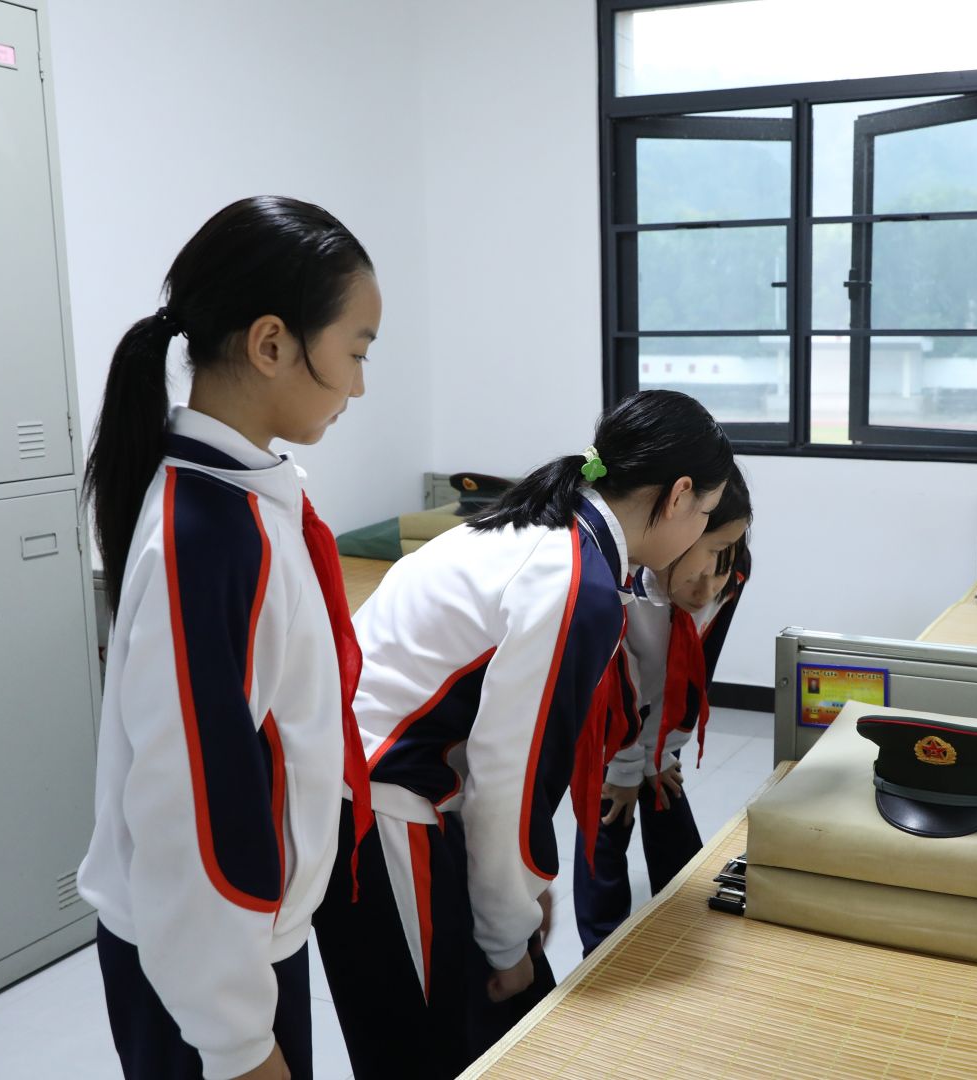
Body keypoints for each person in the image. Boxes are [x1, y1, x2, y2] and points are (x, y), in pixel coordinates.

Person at [314, 390, 735, 1080]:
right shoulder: (574, 582)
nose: (700, 536)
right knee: (431, 1049)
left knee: (458, 1026)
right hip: (377, 806)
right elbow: (509, 779)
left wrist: (516, 896)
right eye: (706, 516)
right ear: (679, 494)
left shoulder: (547, 526)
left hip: (376, 790)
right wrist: (508, 939)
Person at [77, 196, 381, 1080]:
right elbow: (192, 814)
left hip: (235, 946)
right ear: (272, 344)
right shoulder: (213, 537)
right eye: (356, 352)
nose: (360, 386)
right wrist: (240, 1041)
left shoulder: (244, 497)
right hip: (202, 968)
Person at [573, 467, 752, 953]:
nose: (707, 590)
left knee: (663, 787)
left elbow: (695, 673)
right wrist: (625, 766)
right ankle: (599, 949)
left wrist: (665, 752)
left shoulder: (731, 573)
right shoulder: (618, 581)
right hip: (598, 717)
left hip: (653, 709)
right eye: (703, 562)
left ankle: (684, 922)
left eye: (723, 564)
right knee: (608, 811)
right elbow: (617, 686)